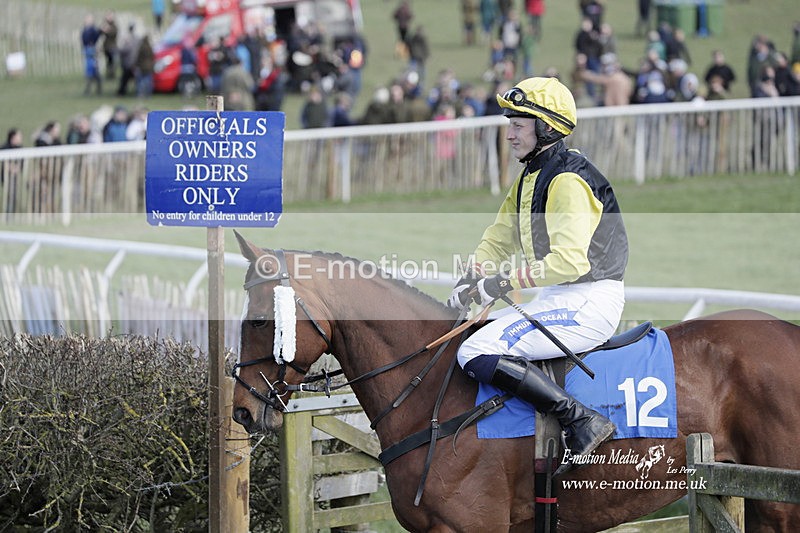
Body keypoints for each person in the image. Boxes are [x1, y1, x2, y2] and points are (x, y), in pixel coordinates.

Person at [448, 77, 628, 474]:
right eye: (509, 123)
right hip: (558, 297)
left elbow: (570, 263)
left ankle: (582, 419)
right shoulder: (530, 176)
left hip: (589, 299)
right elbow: (499, 236)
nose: (509, 134)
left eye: (518, 124)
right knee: (469, 334)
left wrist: (500, 282)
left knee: (474, 352)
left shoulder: (566, 180)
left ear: (546, 128)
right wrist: (471, 276)